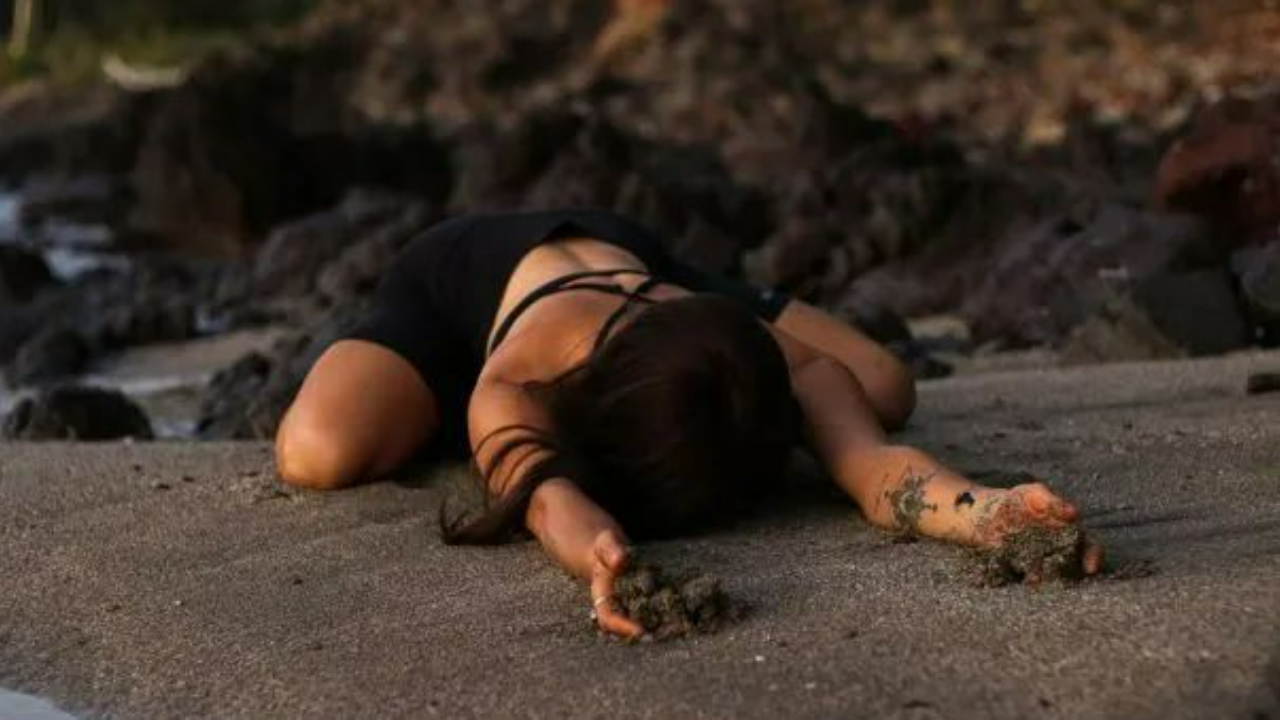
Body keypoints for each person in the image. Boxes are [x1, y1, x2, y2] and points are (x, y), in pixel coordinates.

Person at [274, 209, 1104, 638]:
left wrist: (987, 512)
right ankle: (418, 391)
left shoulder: (768, 355)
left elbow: (873, 461)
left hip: (631, 259)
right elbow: (547, 498)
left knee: (883, 386)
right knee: (319, 453)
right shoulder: (514, 380)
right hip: (455, 283)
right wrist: (602, 556)